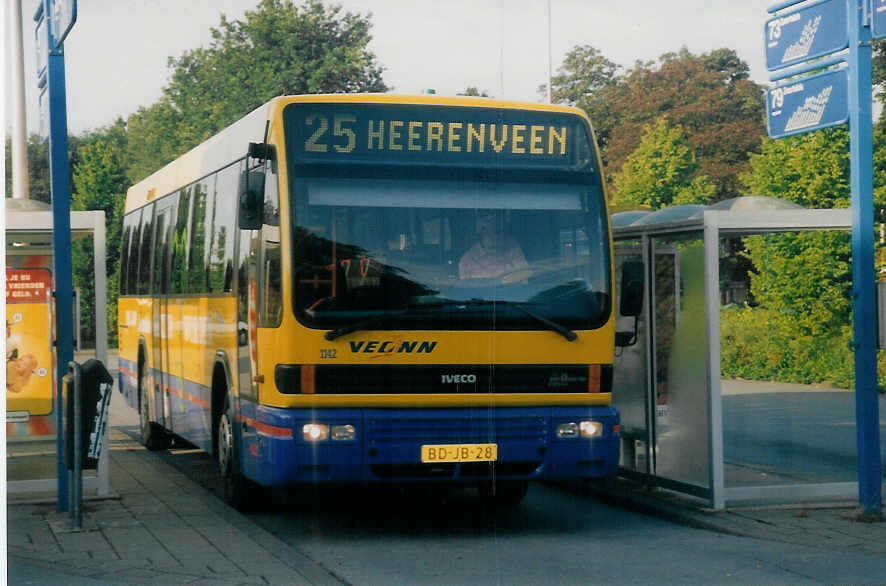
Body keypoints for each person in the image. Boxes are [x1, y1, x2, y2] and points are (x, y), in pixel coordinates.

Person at [459, 211, 529, 280]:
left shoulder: (512, 247)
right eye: (496, 232)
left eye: (501, 230)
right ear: (483, 231)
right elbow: (466, 290)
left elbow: (525, 277)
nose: (501, 236)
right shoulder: (467, 261)